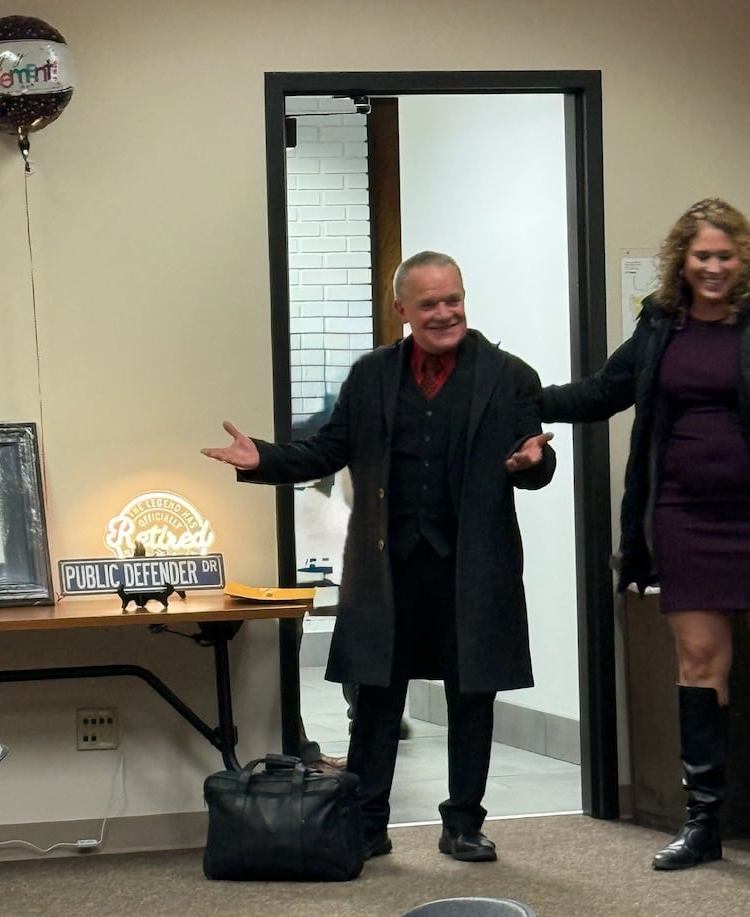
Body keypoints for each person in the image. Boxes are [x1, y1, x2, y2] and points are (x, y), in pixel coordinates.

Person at [202, 250, 555, 862]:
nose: (446, 313)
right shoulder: (370, 375)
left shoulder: (509, 376)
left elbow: (534, 460)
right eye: (430, 304)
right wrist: (264, 458)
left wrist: (535, 464)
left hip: (473, 567)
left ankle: (464, 823)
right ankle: (366, 824)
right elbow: (328, 448)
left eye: (454, 299)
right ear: (402, 311)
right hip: (388, 569)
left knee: (472, 697)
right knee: (375, 698)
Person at [540, 198, 750, 871]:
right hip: (684, 516)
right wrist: (519, 396)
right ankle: (704, 824)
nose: (714, 267)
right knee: (699, 662)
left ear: (741, 259)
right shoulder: (661, 327)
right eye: (702, 256)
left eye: (726, 255)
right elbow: (602, 392)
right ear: (681, 262)